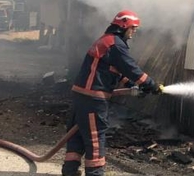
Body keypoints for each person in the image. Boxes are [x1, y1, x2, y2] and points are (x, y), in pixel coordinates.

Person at [62, 10, 160, 176]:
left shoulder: (106, 42)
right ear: (124, 26)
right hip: (93, 99)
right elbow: (131, 69)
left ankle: (69, 171)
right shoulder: (115, 45)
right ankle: (95, 173)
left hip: (82, 96)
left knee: (77, 135)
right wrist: (151, 85)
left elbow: (114, 72)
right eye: (133, 28)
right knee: (94, 138)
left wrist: (132, 84)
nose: (134, 32)